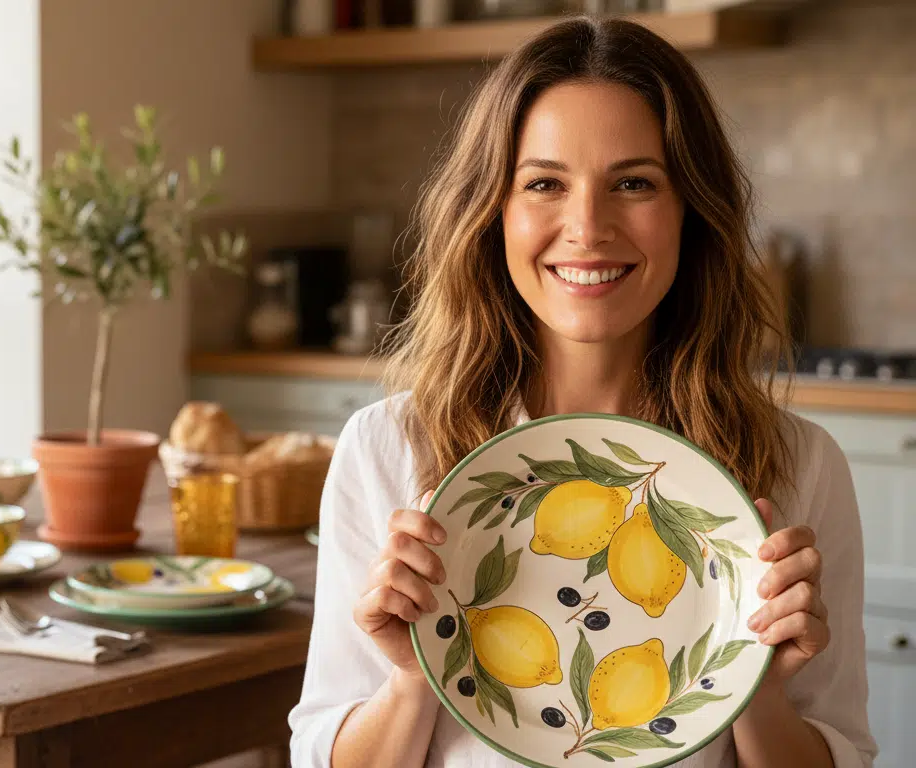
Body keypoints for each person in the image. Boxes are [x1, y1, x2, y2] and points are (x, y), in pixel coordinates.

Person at [287, 16, 877, 768]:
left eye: (634, 183)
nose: (588, 226)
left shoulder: (801, 464)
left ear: (692, 213)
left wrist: (752, 691)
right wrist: (411, 680)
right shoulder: (386, 449)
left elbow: (845, 755)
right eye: (544, 184)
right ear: (491, 212)